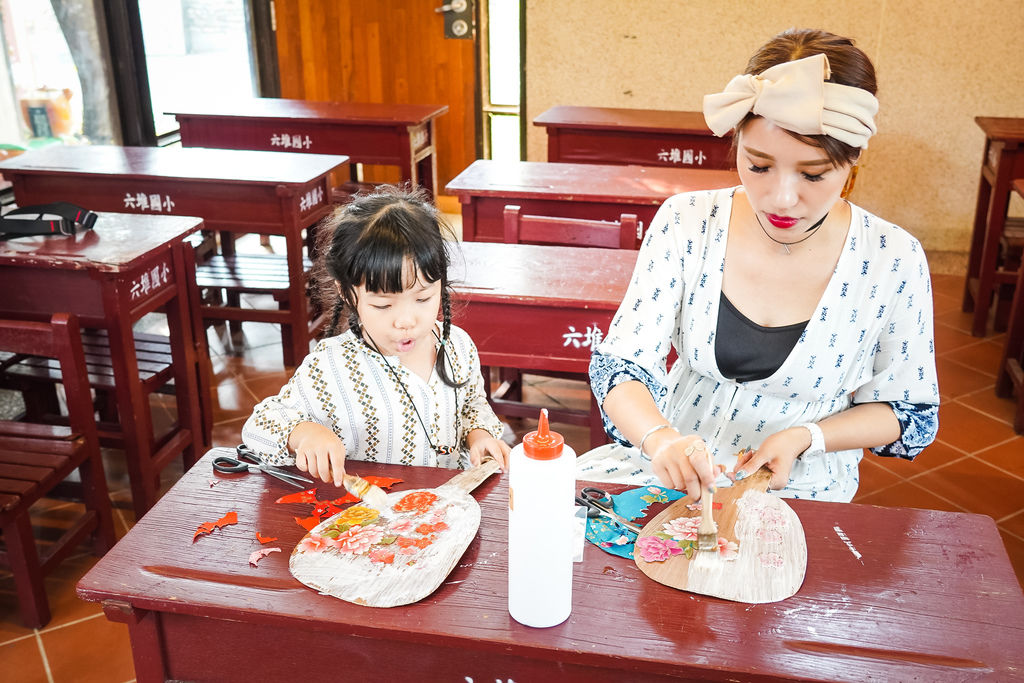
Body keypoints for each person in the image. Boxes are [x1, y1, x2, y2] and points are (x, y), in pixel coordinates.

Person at [576, 28, 939, 503]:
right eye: (759, 165)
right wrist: (659, 438)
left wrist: (807, 437)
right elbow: (623, 364)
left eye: (812, 174)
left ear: (853, 161)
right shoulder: (689, 222)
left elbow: (906, 408)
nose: (782, 198)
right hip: (671, 472)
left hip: (802, 486)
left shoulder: (893, 257)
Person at [242, 185, 510, 485]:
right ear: (347, 293)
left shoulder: (457, 346)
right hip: (371, 521)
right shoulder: (331, 365)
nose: (406, 321)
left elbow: (472, 403)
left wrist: (479, 434)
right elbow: (259, 426)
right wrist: (303, 433)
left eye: (423, 299)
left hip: (449, 511)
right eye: (383, 305)